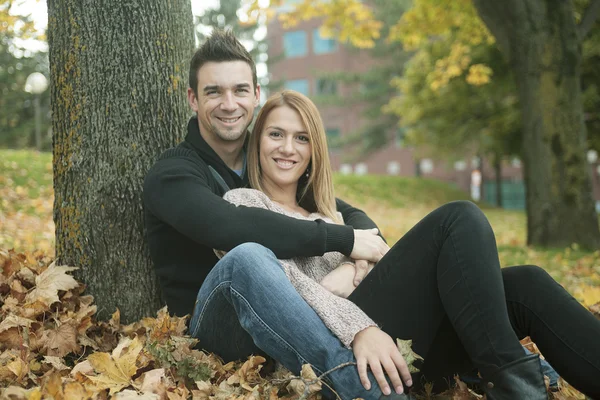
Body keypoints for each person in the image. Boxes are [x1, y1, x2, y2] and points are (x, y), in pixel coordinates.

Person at [142, 30, 596, 399]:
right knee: (455, 219)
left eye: (240, 90)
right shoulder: (184, 176)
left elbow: (357, 222)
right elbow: (236, 231)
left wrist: (357, 255)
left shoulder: (306, 197)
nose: (229, 103)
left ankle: (509, 371)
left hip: (361, 325)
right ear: (193, 99)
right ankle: (504, 382)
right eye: (213, 91)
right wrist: (352, 296)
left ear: (255, 95)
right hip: (240, 326)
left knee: (525, 282)